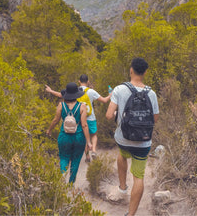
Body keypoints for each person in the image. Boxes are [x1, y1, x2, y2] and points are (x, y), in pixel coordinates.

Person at [105, 58, 159, 216]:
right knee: (139, 177)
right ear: (145, 72)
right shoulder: (152, 93)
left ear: (131, 70)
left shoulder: (119, 89)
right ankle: (131, 214)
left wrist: (118, 114)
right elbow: (154, 119)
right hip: (143, 141)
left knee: (122, 156)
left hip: (123, 139)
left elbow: (109, 115)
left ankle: (122, 188)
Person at [45, 74, 111, 162]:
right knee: (94, 135)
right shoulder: (91, 91)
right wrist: (111, 94)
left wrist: (50, 91)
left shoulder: (75, 92)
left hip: (79, 118)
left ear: (79, 81)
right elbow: (104, 100)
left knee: (83, 137)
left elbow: (60, 95)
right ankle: (94, 150)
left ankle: (87, 157)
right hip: (91, 118)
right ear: (88, 82)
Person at [46, 82, 93, 183]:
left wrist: (49, 130)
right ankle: (71, 185)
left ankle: (62, 178)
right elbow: (84, 125)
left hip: (64, 136)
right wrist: (89, 142)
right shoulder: (82, 106)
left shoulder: (61, 105)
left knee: (64, 158)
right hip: (79, 137)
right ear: (76, 95)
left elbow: (55, 120)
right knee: (75, 161)